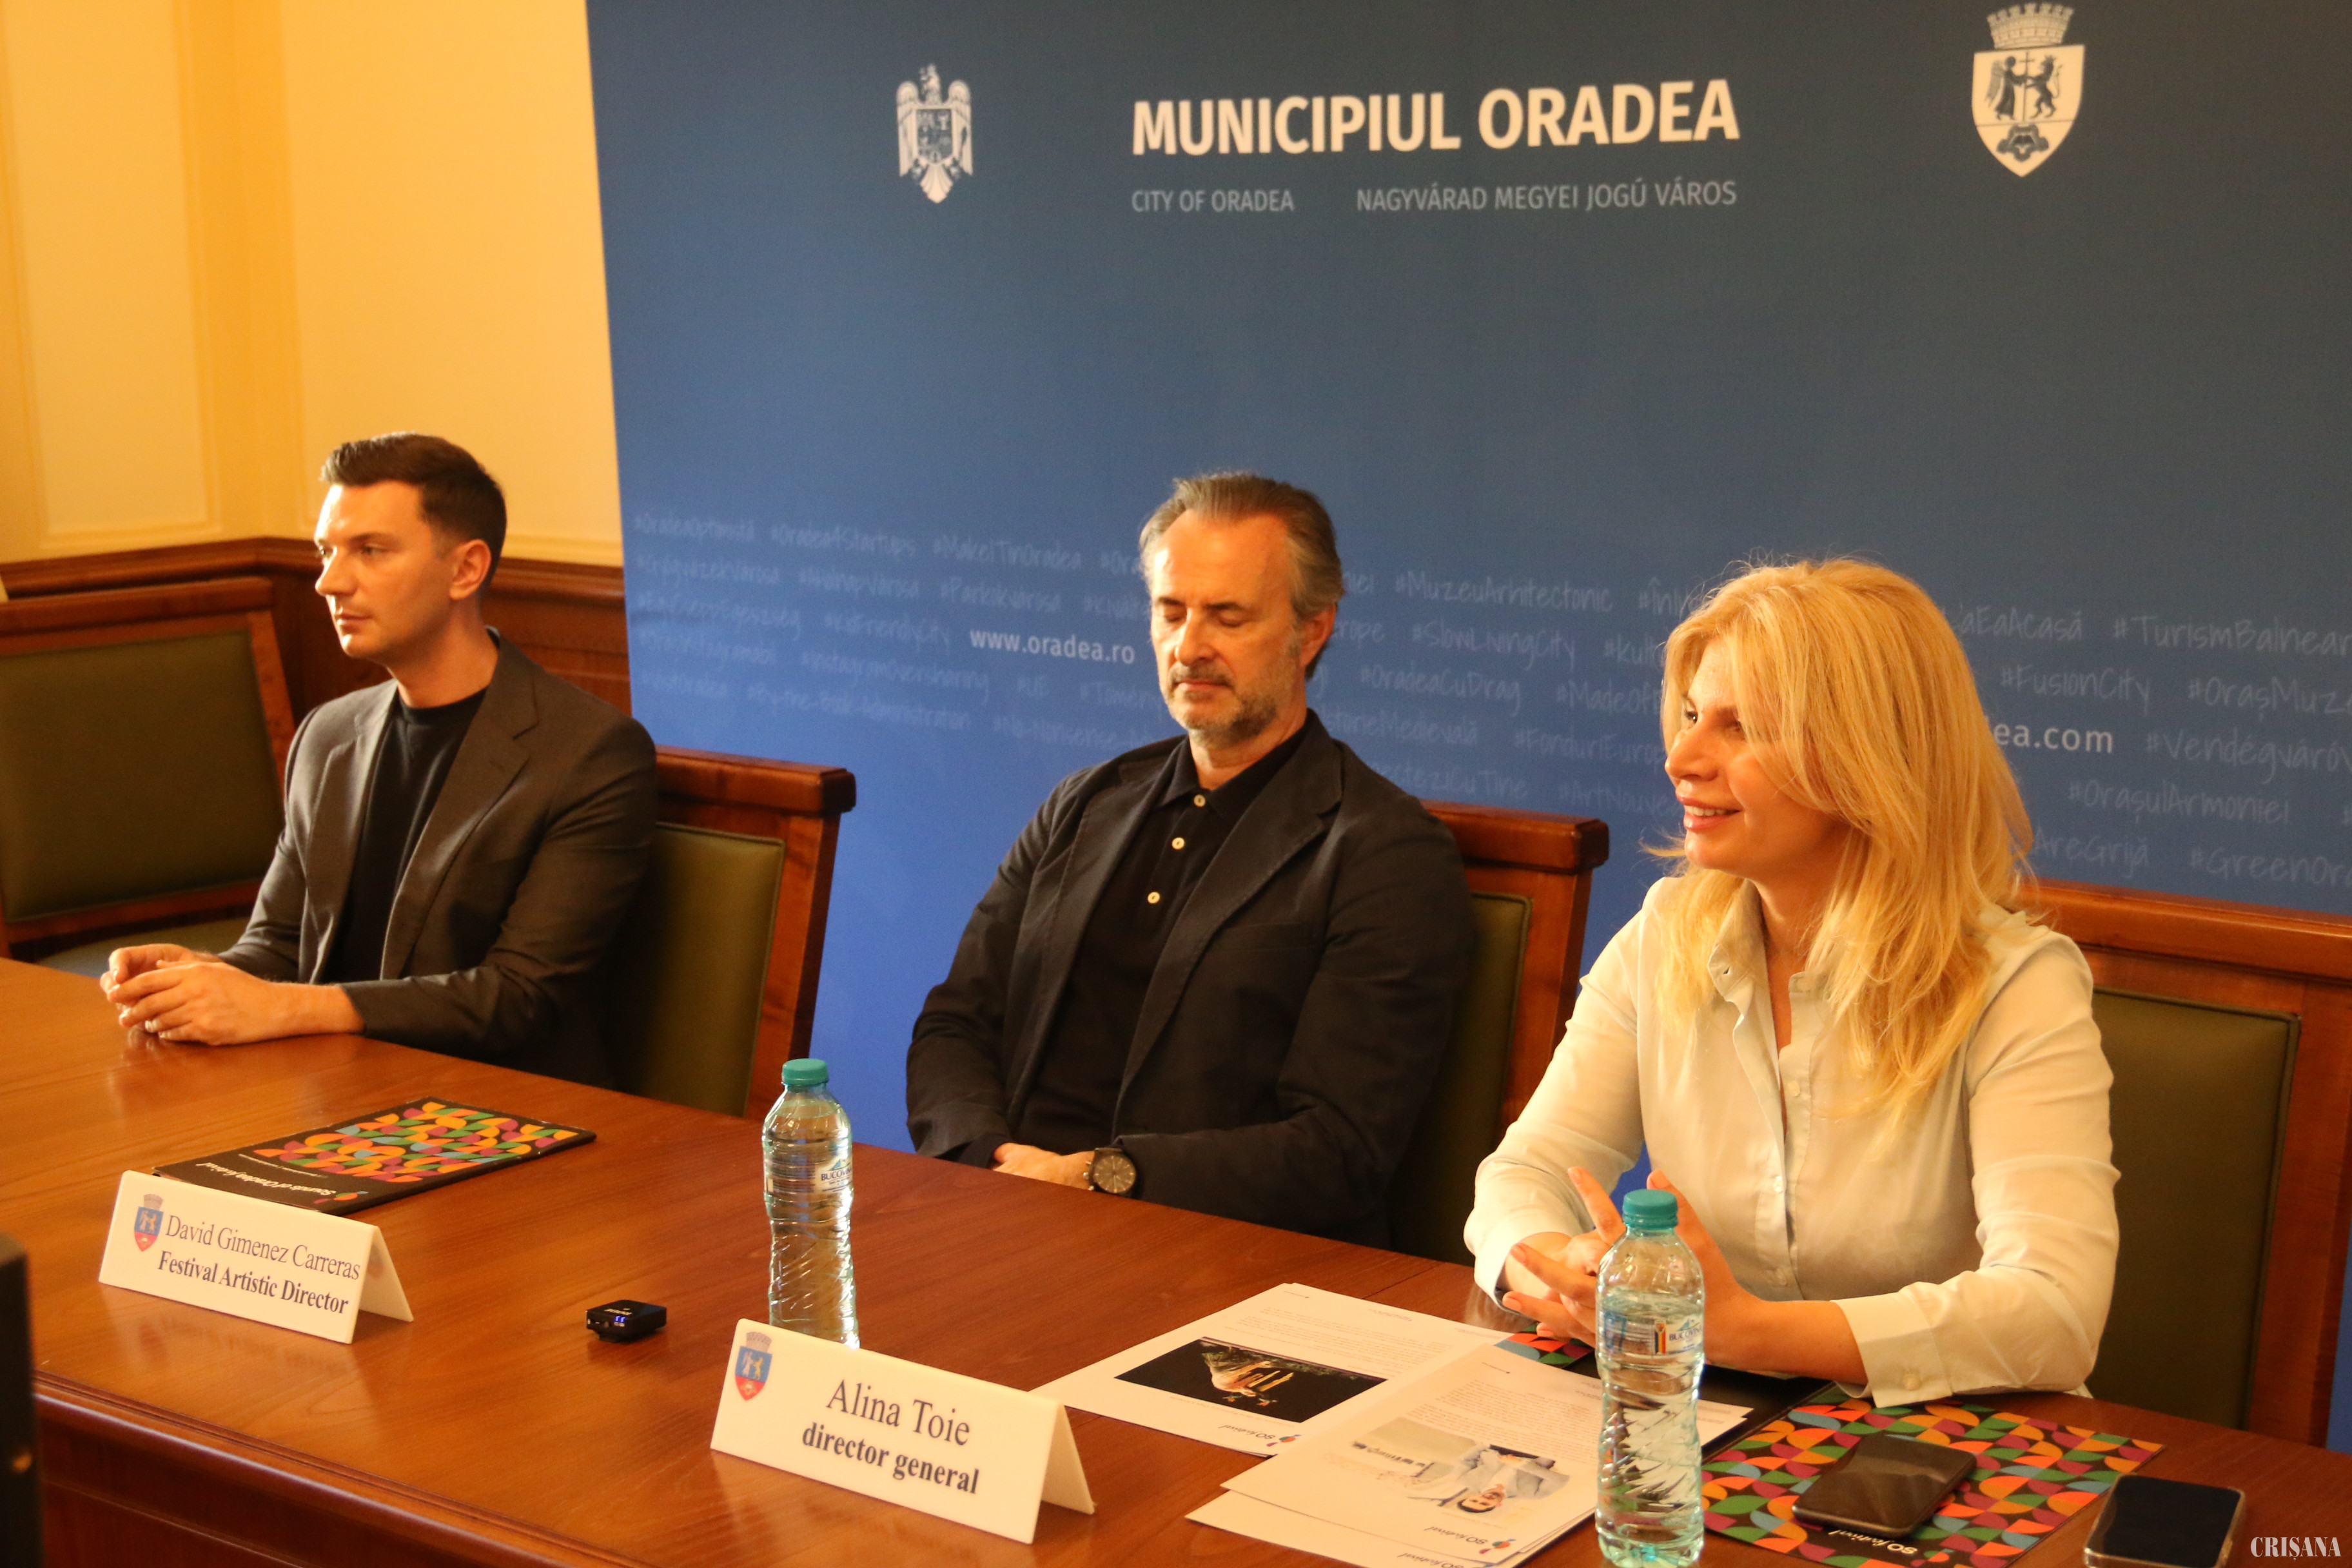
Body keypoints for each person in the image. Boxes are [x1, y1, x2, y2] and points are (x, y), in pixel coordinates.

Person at [1467, 559, 2115, 1406]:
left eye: (1741, 727)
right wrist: (1566, 1267)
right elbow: (1526, 1171)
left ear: (1869, 759)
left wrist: (1746, 1330)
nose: (1681, 758)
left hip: (1941, 1443)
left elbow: (2054, 1311)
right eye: (1692, 715)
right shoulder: (1664, 936)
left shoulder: (2016, 986)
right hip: (1702, 1413)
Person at [906, 473, 1475, 1242]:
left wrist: (1097, 1177)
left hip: (1217, 1255)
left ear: (1312, 631)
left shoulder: (1384, 852)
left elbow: (1338, 1150)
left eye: (1228, 616)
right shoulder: (1085, 803)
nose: (1189, 646)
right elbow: (955, 1023)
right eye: (1170, 612)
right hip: (1007, 1211)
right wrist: (994, 1159)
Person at [103, 434, 657, 1085]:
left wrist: (285, 1006)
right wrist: (204, 976)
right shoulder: (327, 733)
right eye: (326, 551)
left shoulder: (590, 752)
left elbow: (518, 996)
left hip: (499, 1101)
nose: (329, 581)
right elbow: (281, 943)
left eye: (370, 550)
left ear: (465, 570)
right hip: (338, 1084)